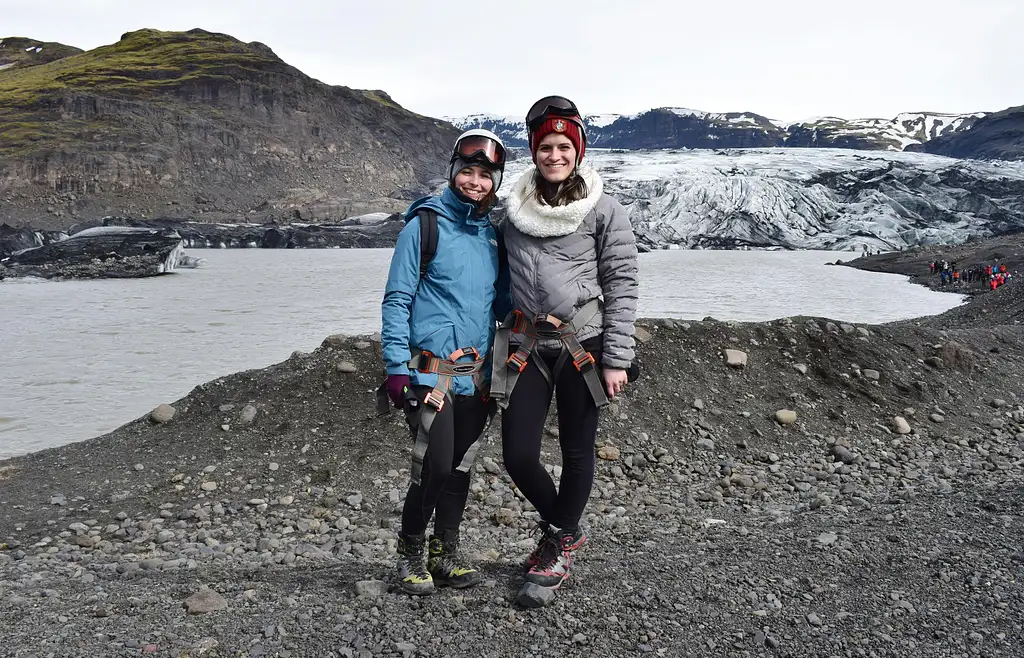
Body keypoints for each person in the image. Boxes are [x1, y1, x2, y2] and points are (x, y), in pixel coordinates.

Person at [491, 95, 639, 590]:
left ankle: (555, 545)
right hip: (528, 346)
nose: (554, 155)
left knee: (578, 452)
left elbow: (622, 284)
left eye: (563, 146)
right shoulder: (512, 212)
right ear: (533, 151)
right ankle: (567, 530)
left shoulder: (604, 210)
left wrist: (617, 358)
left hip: (585, 344)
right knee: (517, 455)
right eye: (545, 147)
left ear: (577, 150)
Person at [380, 128, 510, 595]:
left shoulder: (490, 237)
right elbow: (396, 301)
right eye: (468, 172)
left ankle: (444, 552)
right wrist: (396, 368)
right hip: (429, 372)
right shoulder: (424, 226)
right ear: (454, 173)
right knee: (433, 466)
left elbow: (500, 305)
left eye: (485, 175)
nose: (475, 181)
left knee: (459, 467)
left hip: (473, 376)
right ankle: (408, 552)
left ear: (495, 182)